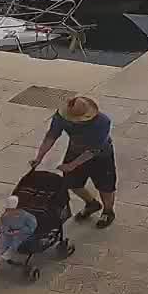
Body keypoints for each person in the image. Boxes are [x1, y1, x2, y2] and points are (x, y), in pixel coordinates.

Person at [32, 95, 117, 228]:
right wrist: (39, 157)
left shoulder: (102, 122)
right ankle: (91, 203)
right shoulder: (61, 117)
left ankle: (108, 211)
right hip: (75, 150)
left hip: (101, 156)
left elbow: (93, 150)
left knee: (105, 186)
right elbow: (51, 136)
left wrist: (71, 165)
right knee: (72, 183)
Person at [0, 195, 37, 273]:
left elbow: (31, 227)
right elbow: (4, 226)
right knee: (2, 242)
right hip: (9, 234)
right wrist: (6, 231)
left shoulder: (28, 217)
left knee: (13, 244)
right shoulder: (6, 217)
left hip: (22, 235)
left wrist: (18, 231)